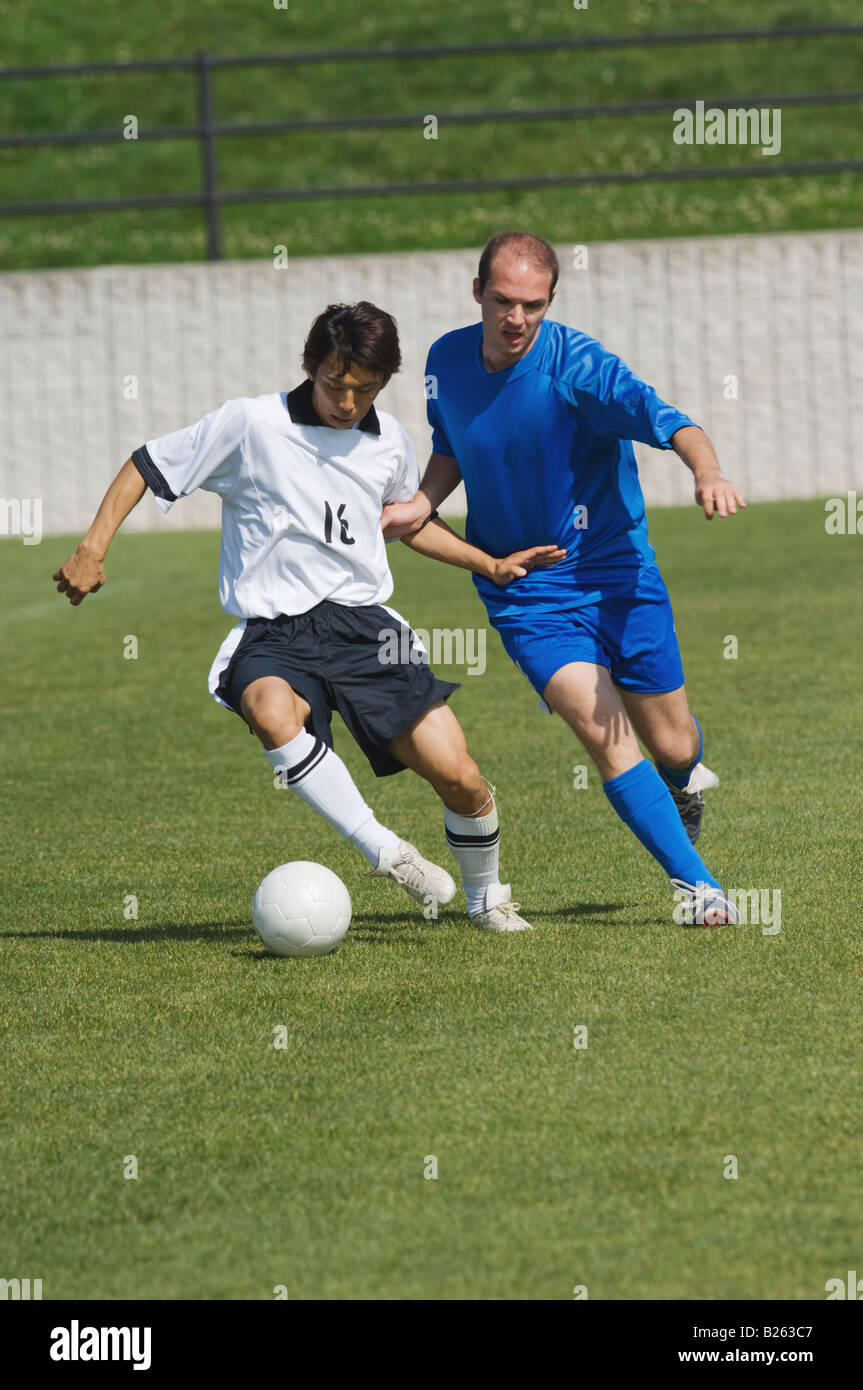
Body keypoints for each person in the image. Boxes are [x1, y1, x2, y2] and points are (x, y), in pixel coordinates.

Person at [52, 301, 562, 932]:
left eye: (365, 390)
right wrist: (92, 547)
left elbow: (408, 521)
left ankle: (487, 900)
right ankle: (387, 851)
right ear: (310, 367)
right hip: (275, 632)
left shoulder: (388, 442)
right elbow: (147, 464)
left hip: (365, 628)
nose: (348, 402)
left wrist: (488, 565)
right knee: (270, 708)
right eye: (335, 385)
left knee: (460, 776)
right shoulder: (251, 424)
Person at [382, 233, 748, 927]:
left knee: (671, 745)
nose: (515, 318)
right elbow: (449, 448)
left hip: (616, 573)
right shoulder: (444, 361)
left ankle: (680, 781)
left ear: (550, 301)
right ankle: (700, 889)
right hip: (524, 586)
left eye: (531, 305)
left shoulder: (579, 368)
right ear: (476, 293)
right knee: (597, 724)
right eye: (501, 301)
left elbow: (675, 424)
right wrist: (420, 504)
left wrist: (707, 471)